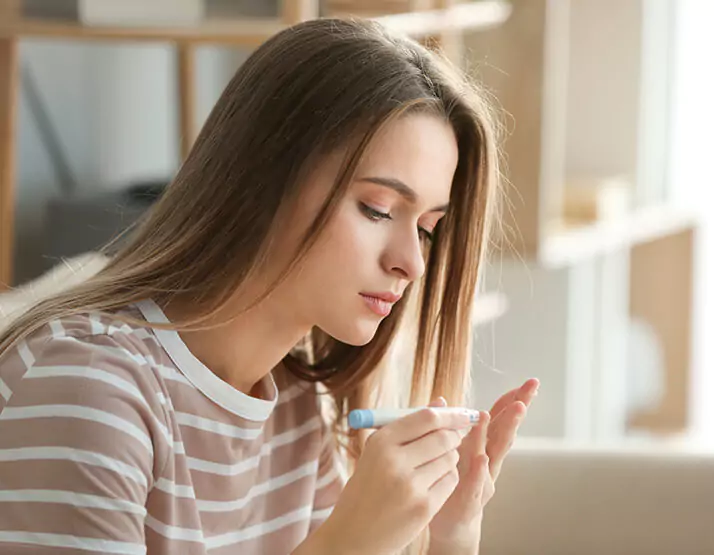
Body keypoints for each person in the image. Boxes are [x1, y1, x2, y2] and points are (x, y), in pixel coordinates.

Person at [0, 17, 538, 555]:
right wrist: (346, 544)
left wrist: (452, 537)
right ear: (264, 182)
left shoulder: (297, 406)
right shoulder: (89, 389)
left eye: (425, 229)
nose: (411, 264)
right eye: (377, 209)